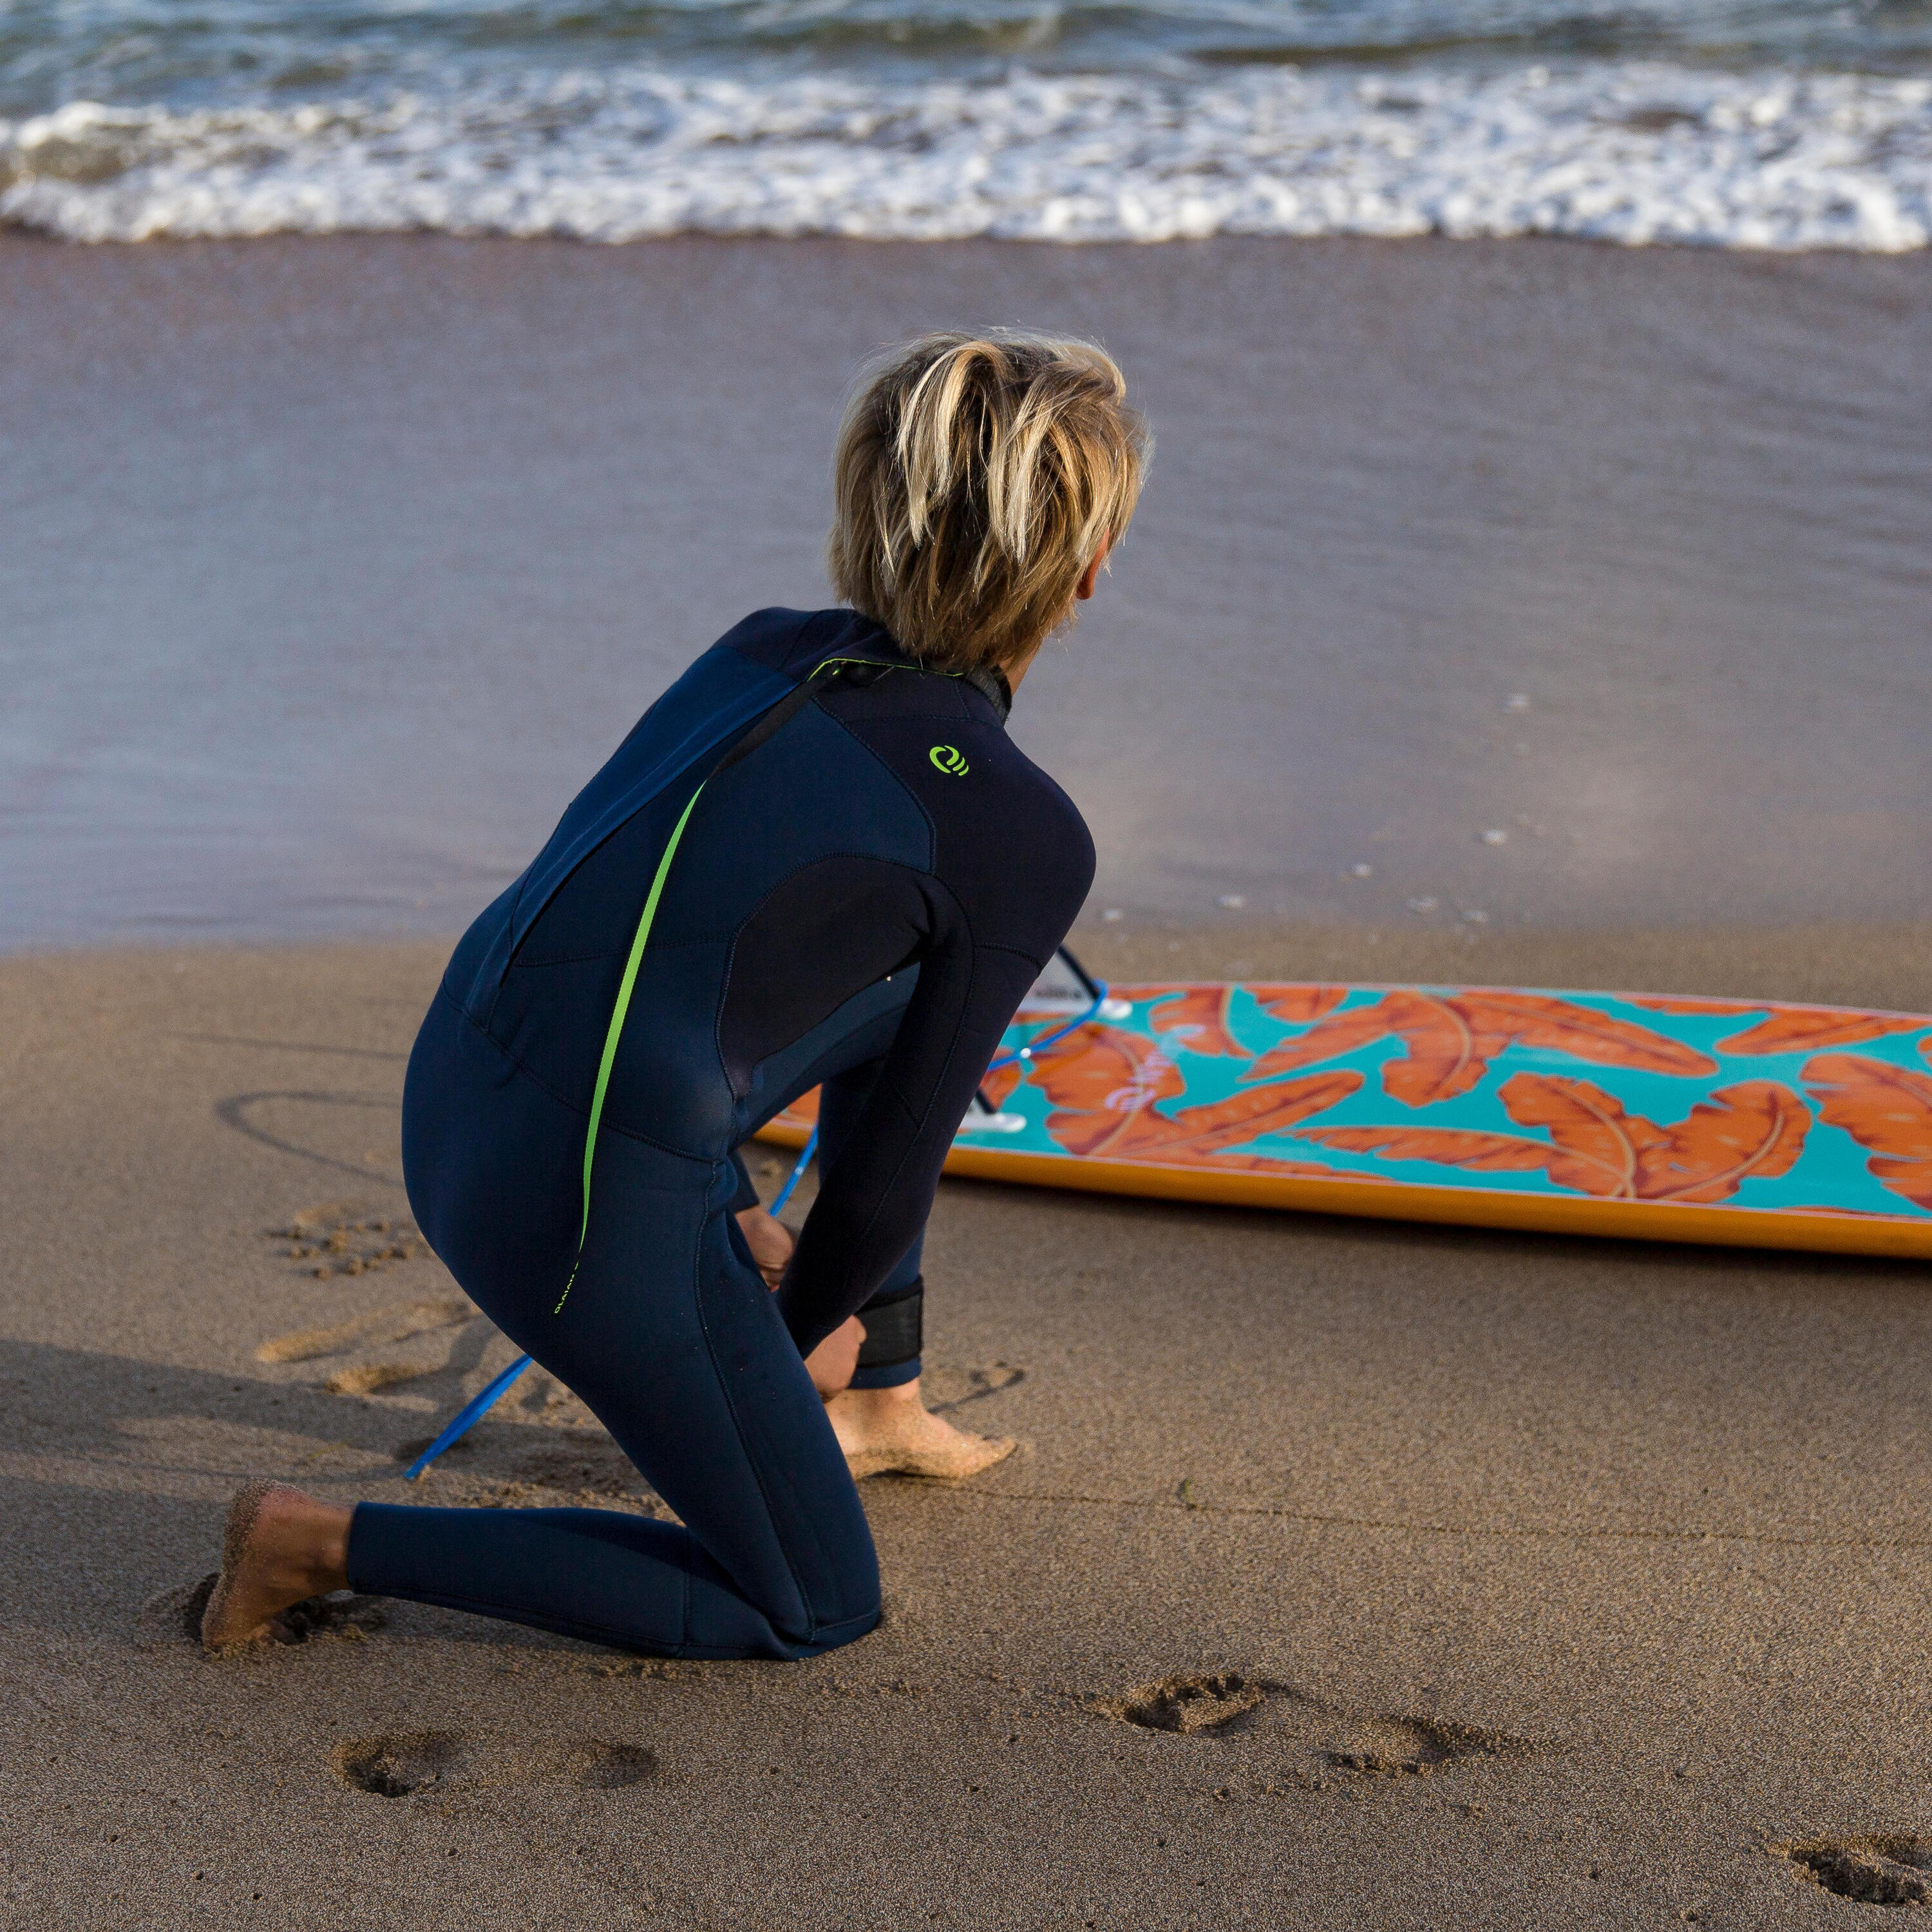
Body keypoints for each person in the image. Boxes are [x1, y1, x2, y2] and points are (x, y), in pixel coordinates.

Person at [201, 330, 1148, 1660]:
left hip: (460, 1091)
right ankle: (314, 1543)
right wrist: (792, 1326)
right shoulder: (1021, 836)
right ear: (1089, 568)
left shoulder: (763, 652)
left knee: (907, 965)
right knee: (813, 1602)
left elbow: (652, 926)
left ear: (864, 514)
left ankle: (884, 1399)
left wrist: (750, 1224)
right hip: (575, 1208)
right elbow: (879, 1188)